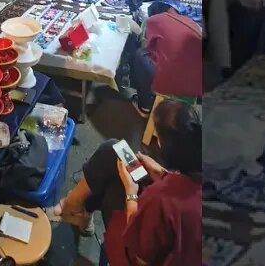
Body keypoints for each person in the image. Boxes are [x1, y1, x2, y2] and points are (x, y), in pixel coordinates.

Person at [47, 100, 200, 266]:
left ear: (163, 145)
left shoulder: (161, 199)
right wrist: (162, 173)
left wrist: (131, 192)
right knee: (114, 150)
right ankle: (75, 207)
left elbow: (141, 257)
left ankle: (72, 208)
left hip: (139, 254)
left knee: (112, 182)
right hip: (172, 237)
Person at [129, 2, 202, 117]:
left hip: (172, 83)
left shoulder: (155, 20)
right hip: (197, 83)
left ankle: (145, 106)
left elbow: (147, 45)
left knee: (140, 55)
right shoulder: (190, 22)